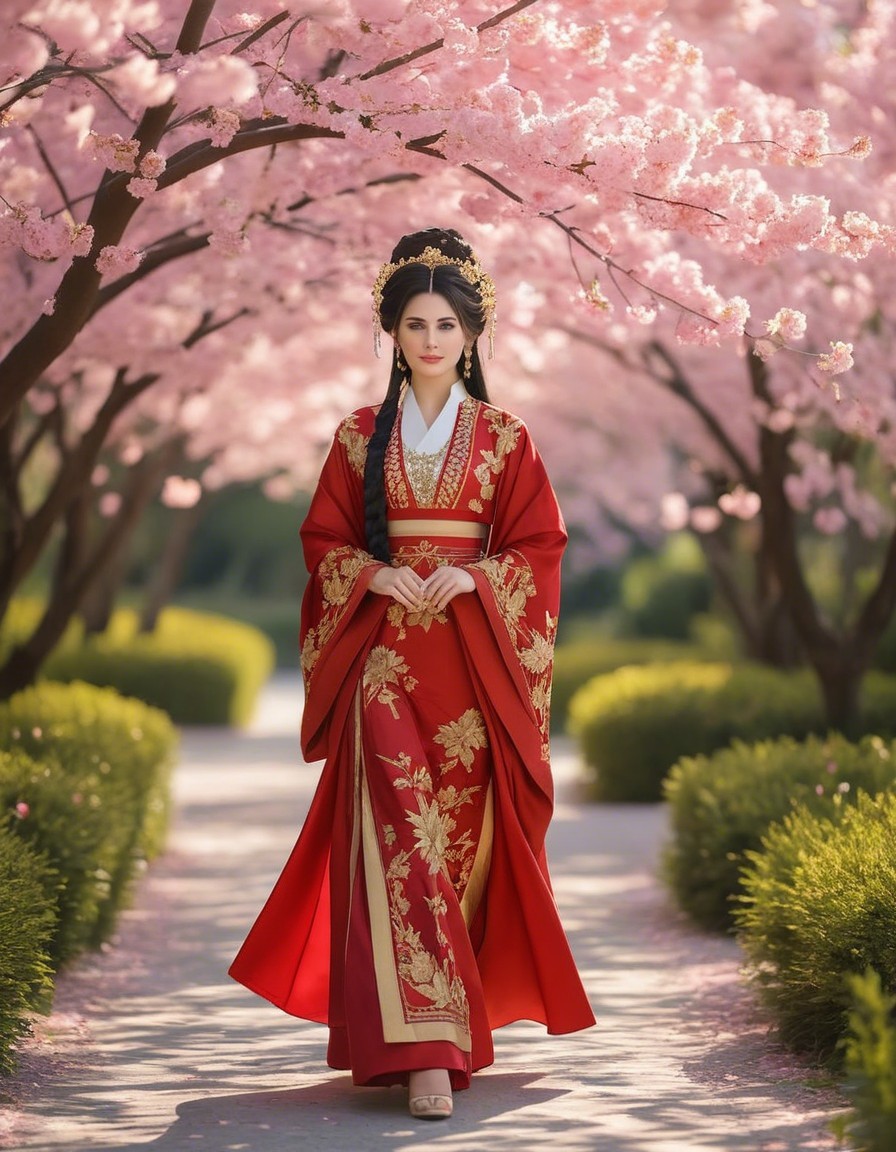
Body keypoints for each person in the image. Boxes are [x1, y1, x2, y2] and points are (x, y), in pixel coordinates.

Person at [229, 227, 595, 1120]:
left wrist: (472, 574)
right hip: (385, 663)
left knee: (457, 849)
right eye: (415, 325)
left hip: (470, 668)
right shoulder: (359, 437)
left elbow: (539, 547)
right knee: (405, 842)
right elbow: (324, 541)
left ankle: (445, 1026)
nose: (430, 340)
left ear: (473, 335)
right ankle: (428, 1052)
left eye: (445, 325)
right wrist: (375, 572)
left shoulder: (507, 438)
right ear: (392, 334)